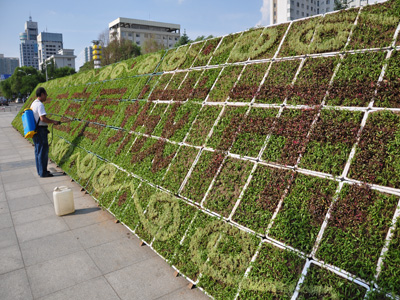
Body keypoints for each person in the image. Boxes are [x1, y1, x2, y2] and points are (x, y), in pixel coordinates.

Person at [31, 87, 61, 177]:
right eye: (46, 95)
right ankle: (43, 172)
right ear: (42, 94)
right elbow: (42, 118)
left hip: (35, 130)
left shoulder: (33, 103)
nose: (46, 97)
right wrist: (53, 121)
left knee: (38, 151)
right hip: (40, 131)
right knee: (43, 151)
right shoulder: (40, 105)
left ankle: (40, 171)